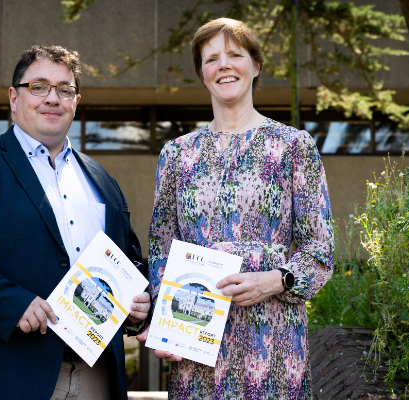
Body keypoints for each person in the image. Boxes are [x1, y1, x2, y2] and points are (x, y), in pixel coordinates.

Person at [0, 45, 151, 400]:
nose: (52, 98)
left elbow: (129, 258)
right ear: (14, 98)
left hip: (94, 375)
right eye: (38, 86)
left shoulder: (101, 179)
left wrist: (137, 304)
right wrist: (12, 303)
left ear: (76, 101)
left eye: (64, 89)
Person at [138, 18, 334, 399]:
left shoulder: (293, 147)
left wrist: (274, 280)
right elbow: (161, 248)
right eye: (212, 59)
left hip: (274, 340)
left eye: (234, 55)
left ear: (255, 66)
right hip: (195, 345)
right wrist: (165, 324)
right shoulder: (177, 154)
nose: (223, 65)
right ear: (203, 74)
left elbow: (320, 251)